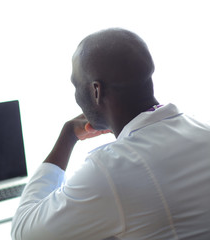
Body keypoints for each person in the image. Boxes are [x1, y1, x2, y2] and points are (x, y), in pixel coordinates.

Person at [11, 28, 210, 240]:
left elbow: (25, 232)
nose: (76, 95)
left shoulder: (111, 169)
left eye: (75, 85)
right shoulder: (202, 132)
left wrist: (66, 138)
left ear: (96, 91)